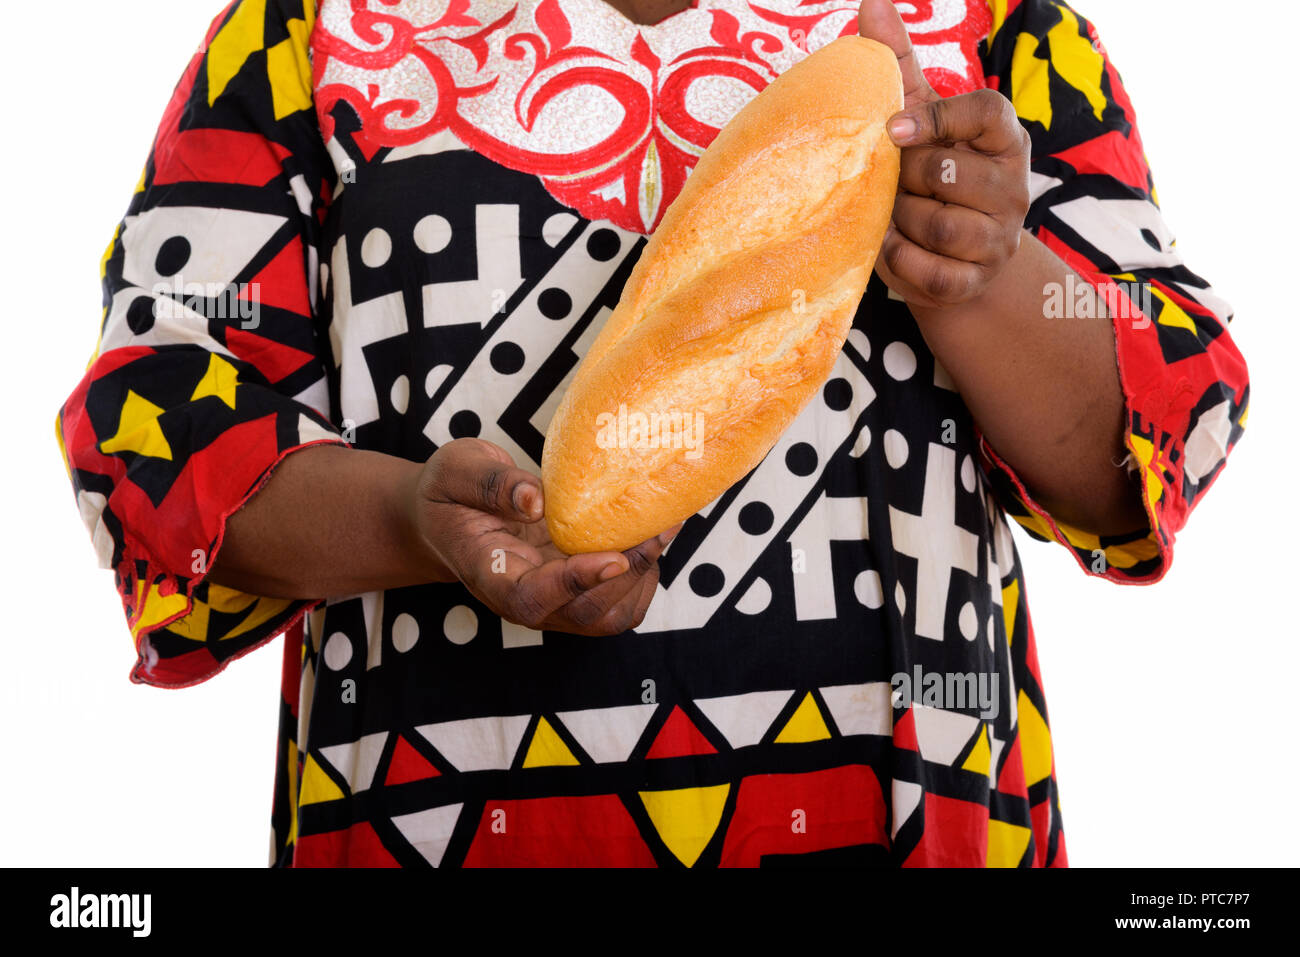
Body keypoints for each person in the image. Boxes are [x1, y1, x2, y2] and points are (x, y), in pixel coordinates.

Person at [56, 0, 1247, 867]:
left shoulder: (991, 36)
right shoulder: (301, 37)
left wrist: (982, 275)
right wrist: (411, 518)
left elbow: (1152, 433)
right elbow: (154, 432)